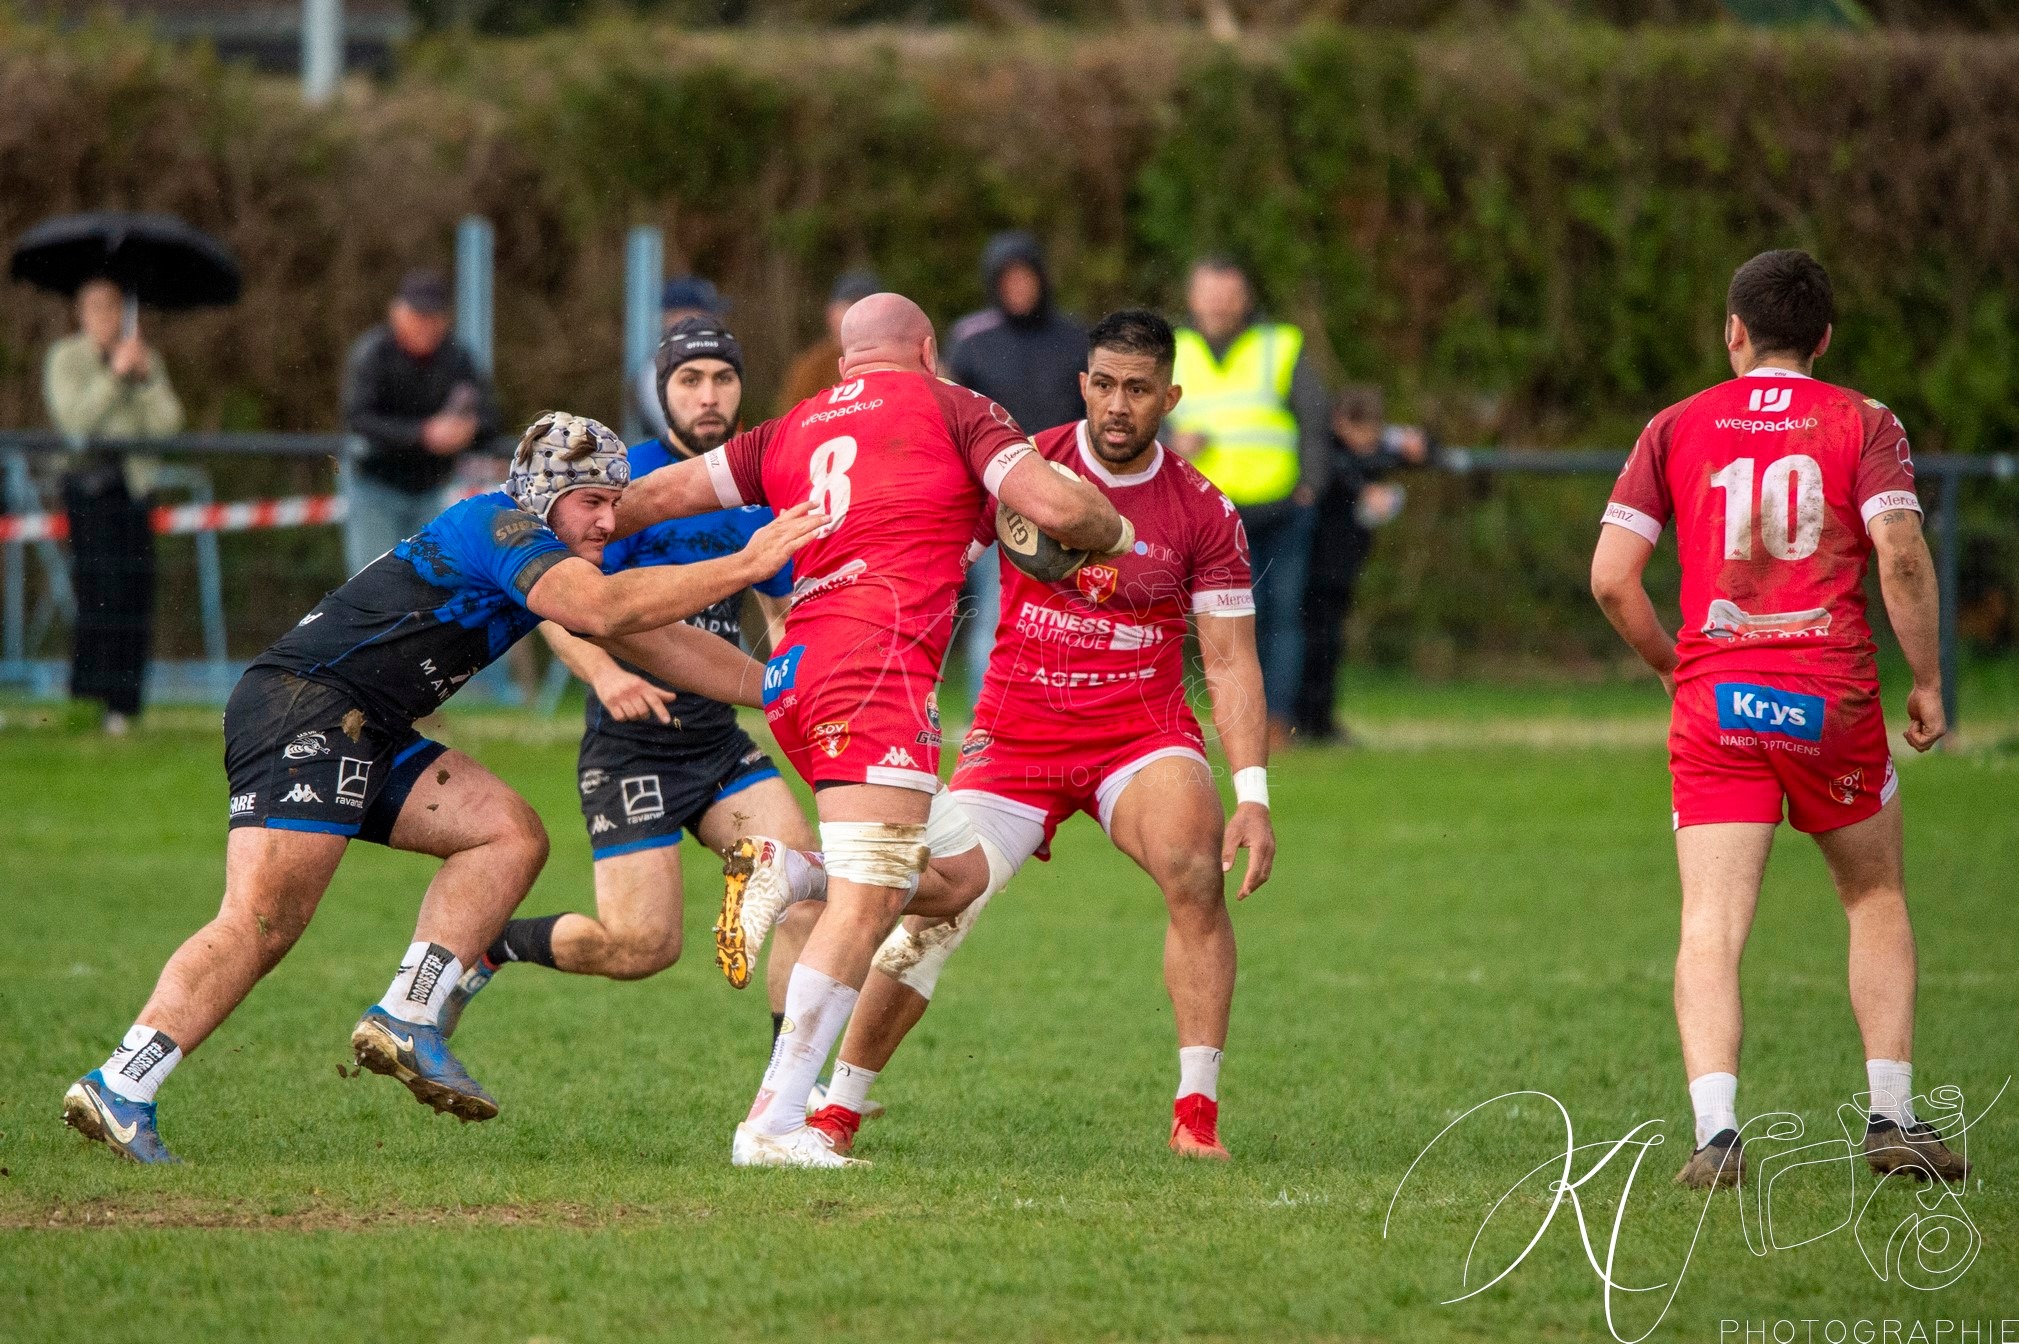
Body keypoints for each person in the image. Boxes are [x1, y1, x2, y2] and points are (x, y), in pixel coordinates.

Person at [60, 413, 821, 1164]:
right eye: (592, 501)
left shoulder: (549, 558)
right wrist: (747, 563)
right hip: (306, 707)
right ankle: (122, 1084)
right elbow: (605, 609)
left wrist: (781, 687)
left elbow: (655, 640)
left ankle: (408, 1015)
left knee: (507, 834)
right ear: (543, 495)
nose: (608, 519)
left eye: (615, 502)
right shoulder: (499, 528)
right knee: (262, 922)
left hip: (369, 725)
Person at [728, 310, 1277, 1161]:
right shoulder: (1021, 466)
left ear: (1169, 395)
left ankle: (1194, 1113)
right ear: (1082, 384)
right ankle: (838, 1104)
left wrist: (1252, 795)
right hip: (1014, 737)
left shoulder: (1203, 511)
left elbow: (1232, 663)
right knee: (936, 904)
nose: (1118, 405)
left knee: (1192, 865)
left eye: (1138, 389)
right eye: (1103, 384)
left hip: (1139, 734)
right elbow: (922, 542)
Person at [613, 292, 1130, 1168]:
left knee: (953, 880)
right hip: (875, 669)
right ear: (928, 349)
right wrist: (1108, 528)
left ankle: (791, 869)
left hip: (795, 678)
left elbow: (655, 494)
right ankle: (771, 1125)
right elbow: (1063, 509)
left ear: (848, 357)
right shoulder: (959, 408)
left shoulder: (785, 430)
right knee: (870, 897)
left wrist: (561, 529)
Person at [1589, 249, 1965, 1189]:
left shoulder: (1674, 425)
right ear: (1824, 339)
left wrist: (1677, 666)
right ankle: (1890, 1118)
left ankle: (1715, 1138)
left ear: (1733, 332)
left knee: (1710, 923)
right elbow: (1902, 552)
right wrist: (1924, 678)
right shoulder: (1864, 420)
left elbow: (1608, 579)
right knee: (1871, 896)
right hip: (1828, 696)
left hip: (1718, 700)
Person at [438, 320, 822, 1040]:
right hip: (630, 748)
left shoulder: (753, 490)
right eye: (689, 380)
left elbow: (777, 606)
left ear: (740, 387)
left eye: (722, 379)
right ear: (661, 392)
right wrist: (607, 673)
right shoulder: (623, 485)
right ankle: (494, 946)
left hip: (715, 742)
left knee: (804, 886)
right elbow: (551, 603)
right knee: (642, 947)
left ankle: (784, 1098)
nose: (707, 397)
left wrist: (804, 678)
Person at [1165, 256, 1330, 753]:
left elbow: (1315, 416)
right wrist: (1171, 435)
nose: (1218, 304)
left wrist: (1312, 485)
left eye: (1227, 294)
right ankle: (1215, 721)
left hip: (1278, 509)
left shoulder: (1280, 345)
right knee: (1201, 622)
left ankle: (1275, 722)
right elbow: (1140, 409)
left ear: (1245, 298)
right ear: (1192, 297)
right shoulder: (1173, 348)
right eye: (1209, 293)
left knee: (1280, 618)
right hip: (1204, 515)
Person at [943, 232, 1089, 706]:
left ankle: (1063, 708)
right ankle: (990, 716)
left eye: (1026, 276)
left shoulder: (1075, 339)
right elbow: (950, 416)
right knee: (996, 610)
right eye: (1009, 279)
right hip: (993, 499)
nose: (1019, 288)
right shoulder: (971, 340)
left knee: (1069, 609)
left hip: (1066, 495)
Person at [43, 278, 185, 735]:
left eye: (114, 310)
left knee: (135, 594)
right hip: (89, 489)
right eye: (98, 310)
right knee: (97, 592)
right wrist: (113, 376)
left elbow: (168, 426)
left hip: (134, 488)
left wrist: (142, 379)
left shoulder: (145, 357)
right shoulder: (67, 358)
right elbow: (75, 424)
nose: (107, 320)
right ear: (83, 315)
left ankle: (127, 704)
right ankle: (88, 698)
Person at [340, 269, 501, 576]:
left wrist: (468, 431)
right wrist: (422, 434)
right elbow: (358, 418)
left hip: (434, 490)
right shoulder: (373, 354)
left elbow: (490, 418)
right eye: (417, 315)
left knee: (433, 583)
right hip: (375, 485)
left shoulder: (459, 358)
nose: (425, 325)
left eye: (433, 316)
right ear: (396, 313)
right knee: (373, 581)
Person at [1293, 386, 1429, 744]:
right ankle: (1303, 721)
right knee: (1310, 642)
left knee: (1328, 643)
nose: (1367, 442)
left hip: (1342, 566)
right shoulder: (1322, 449)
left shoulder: (1375, 448)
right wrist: (1361, 491)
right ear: (1340, 422)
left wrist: (1418, 442)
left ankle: (1319, 722)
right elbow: (1334, 475)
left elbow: (1427, 445)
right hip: (1312, 565)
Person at [632, 275, 728, 441]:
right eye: (706, 313)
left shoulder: (715, 365)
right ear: (677, 316)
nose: (716, 321)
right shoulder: (658, 372)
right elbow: (689, 439)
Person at [781, 269, 880, 409]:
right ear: (831, 313)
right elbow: (790, 422)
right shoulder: (810, 368)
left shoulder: (896, 362)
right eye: (850, 305)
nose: (857, 313)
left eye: (867, 306)